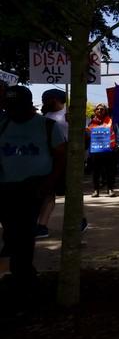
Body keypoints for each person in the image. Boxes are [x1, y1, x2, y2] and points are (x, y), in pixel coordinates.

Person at [0, 86, 66, 299]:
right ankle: (22, 274)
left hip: (33, 188)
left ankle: (22, 279)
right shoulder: (3, 124)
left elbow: (60, 158)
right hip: (6, 187)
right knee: (12, 232)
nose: (13, 112)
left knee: (23, 232)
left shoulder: (47, 126)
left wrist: (48, 184)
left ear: (29, 106)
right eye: (10, 107)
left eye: (17, 107)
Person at [35, 88, 69, 238]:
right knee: (49, 193)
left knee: (69, 191)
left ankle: (80, 220)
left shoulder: (69, 114)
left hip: (65, 159)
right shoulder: (45, 116)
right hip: (48, 160)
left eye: (46, 99)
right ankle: (42, 225)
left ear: (55, 99)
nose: (43, 102)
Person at [86, 102, 119, 197]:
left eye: (102, 109)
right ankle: (96, 190)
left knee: (110, 171)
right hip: (96, 152)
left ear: (105, 111)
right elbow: (88, 136)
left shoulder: (111, 121)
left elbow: (117, 133)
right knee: (96, 171)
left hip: (110, 150)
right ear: (95, 111)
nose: (100, 110)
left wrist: (118, 144)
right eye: (98, 109)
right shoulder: (91, 123)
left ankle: (110, 189)